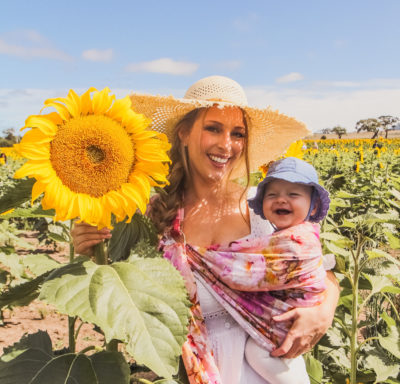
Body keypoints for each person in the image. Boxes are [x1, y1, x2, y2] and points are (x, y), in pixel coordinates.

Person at [71, 76, 340, 384]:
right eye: (213, 128)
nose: (226, 145)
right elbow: (120, 300)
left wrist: (324, 312)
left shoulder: (264, 208)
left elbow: (319, 269)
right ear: (184, 133)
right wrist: (93, 256)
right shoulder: (149, 217)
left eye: (237, 134)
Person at [243, 156, 332, 384]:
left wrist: (324, 312)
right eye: (272, 195)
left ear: (313, 207)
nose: (281, 199)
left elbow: (328, 271)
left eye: (293, 194)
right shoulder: (288, 232)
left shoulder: (295, 239)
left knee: (262, 353)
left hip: (283, 323)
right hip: (278, 323)